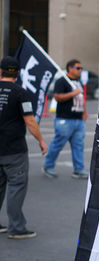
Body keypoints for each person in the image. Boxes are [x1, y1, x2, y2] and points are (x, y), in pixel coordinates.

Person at [0, 56, 48, 239]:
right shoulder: (21, 93)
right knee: (16, 187)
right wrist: (41, 140)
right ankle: (16, 228)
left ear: (0, 71)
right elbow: (29, 120)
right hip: (14, 150)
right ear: (17, 73)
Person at [43, 59, 88, 179]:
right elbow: (57, 97)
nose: (80, 70)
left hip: (78, 120)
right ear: (70, 68)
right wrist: (73, 93)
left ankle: (79, 169)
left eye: (81, 68)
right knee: (57, 144)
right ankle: (48, 166)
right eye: (77, 68)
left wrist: (84, 112)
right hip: (65, 119)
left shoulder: (78, 81)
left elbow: (81, 99)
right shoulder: (62, 81)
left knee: (78, 146)